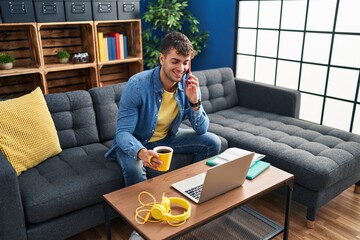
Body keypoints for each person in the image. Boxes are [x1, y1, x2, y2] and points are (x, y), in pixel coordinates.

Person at [105, 31, 221, 187]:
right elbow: (123, 133)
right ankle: (143, 209)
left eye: (185, 62)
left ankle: (191, 187)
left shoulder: (189, 84)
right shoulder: (137, 85)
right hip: (136, 142)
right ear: (162, 58)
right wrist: (141, 152)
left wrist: (195, 102)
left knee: (213, 142)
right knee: (134, 170)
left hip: (166, 138)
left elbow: (201, 129)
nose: (181, 68)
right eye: (175, 61)